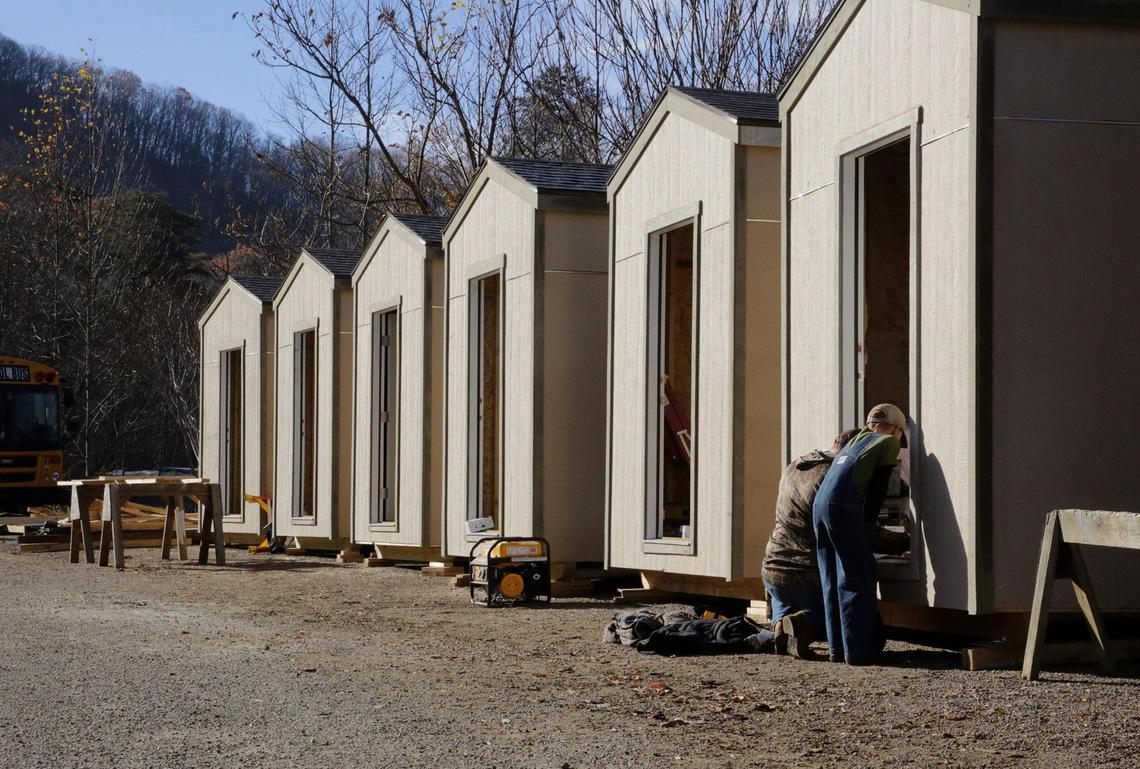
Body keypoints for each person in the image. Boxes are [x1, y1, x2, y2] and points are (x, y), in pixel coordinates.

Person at [812, 403, 908, 665]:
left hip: (819, 505)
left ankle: (837, 649)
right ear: (897, 430)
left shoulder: (857, 439)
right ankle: (859, 651)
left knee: (831, 577)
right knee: (856, 575)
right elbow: (878, 487)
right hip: (842, 506)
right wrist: (868, 523)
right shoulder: (887, 442)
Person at [761, 428, 860, 659]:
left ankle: (779, 628)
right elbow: (842, 525)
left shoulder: (797, 464)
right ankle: (806, 623)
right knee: (857, 622)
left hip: (772, 567)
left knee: (783, 596)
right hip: (806, 575)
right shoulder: (835, 475)